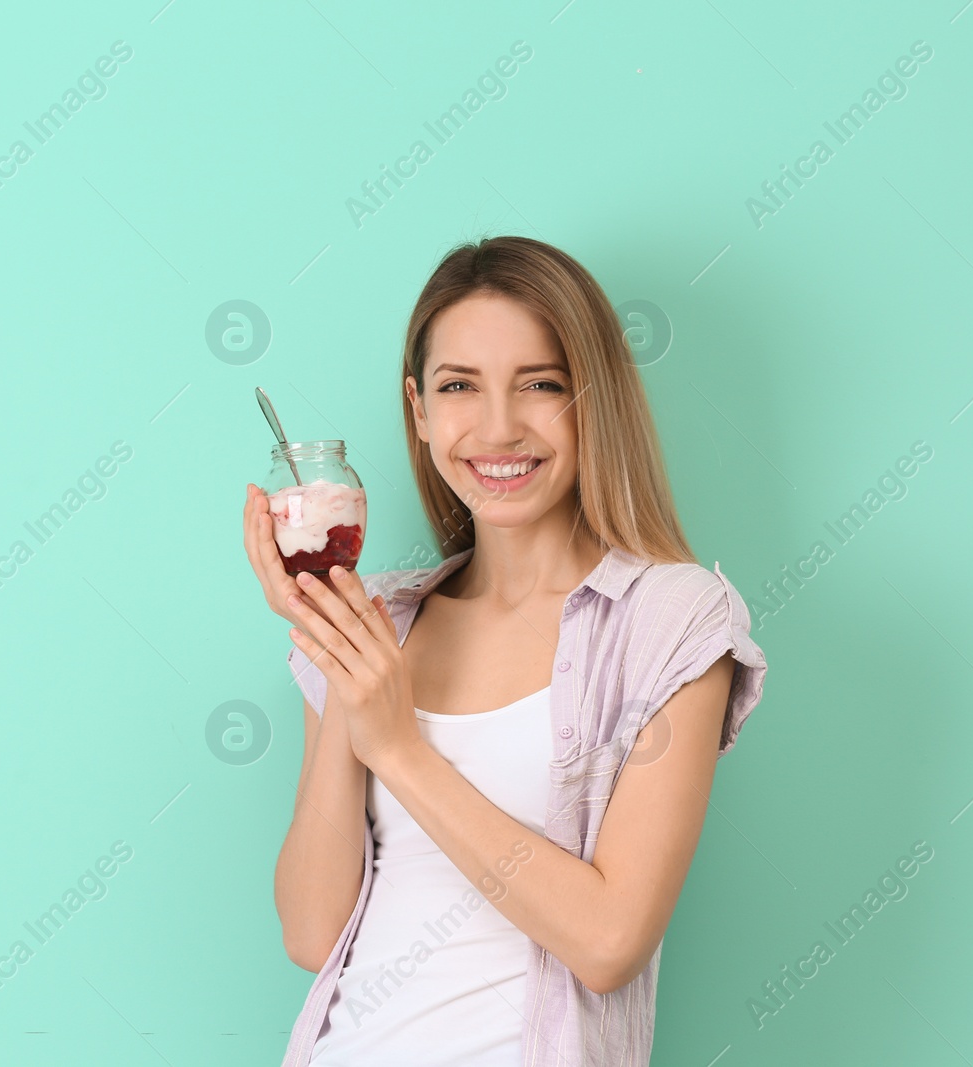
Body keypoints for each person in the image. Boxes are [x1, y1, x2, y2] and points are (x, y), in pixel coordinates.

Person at [242, 234, 769, 1066]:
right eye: (459, 386)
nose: (497, 427)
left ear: (592, 399)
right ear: (418, 410)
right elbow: (312, 931)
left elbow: (607, 940)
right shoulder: (381, 621)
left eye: (541, 385)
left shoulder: (673, 622)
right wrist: (338, 639)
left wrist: (398, 748)